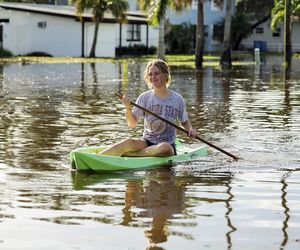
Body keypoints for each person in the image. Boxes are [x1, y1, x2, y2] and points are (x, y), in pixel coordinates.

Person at [100, 59, 197, 157]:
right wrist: (128, 108)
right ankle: (98, 157)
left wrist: (190, 129)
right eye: (150, 74)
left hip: (167, 146)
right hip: (146, 142)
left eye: (156, 73)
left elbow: (184, 122)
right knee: (128, 142)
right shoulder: (144, 97)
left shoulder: (177, 99)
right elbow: (132, 124)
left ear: (165, 75)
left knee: (165, 147)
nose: (153, 77)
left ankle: (132, 155)